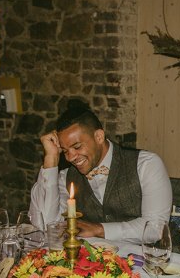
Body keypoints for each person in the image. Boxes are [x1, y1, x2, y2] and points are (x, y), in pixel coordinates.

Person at [29, 103, 172, 243]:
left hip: (151, 260)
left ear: (99, 137)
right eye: (65, 151)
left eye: (77, 147)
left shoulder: (146, 165)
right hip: (95, 263)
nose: (70, 157)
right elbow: (46, 226)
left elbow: (156, 228)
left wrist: (100, 230)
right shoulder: (66, 177)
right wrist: (51, 160)